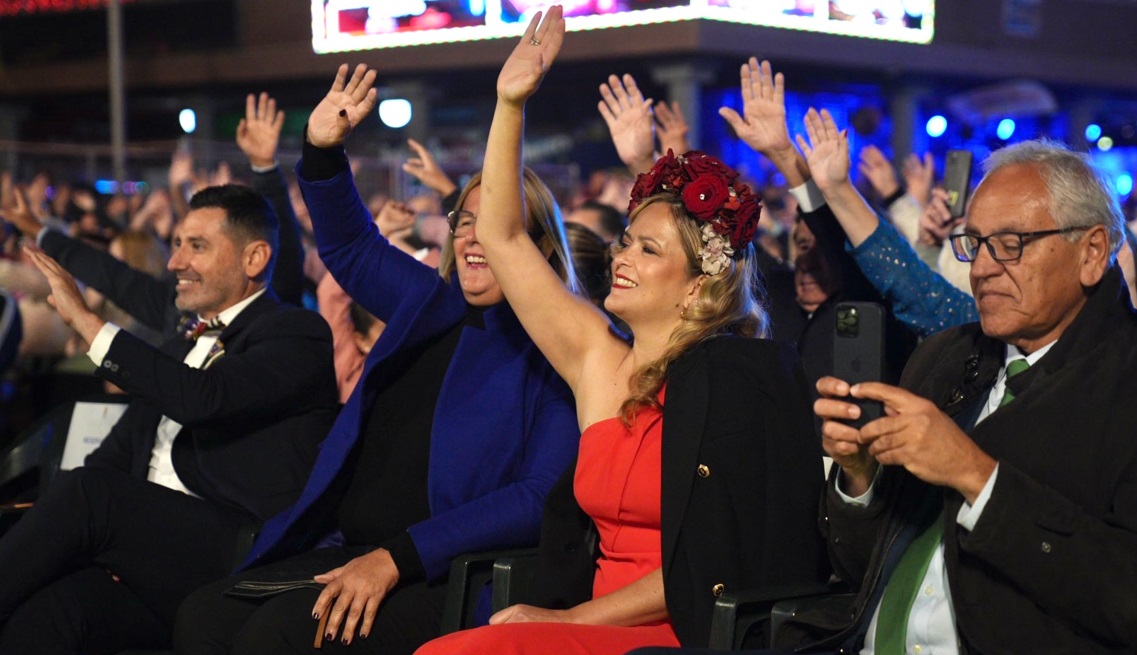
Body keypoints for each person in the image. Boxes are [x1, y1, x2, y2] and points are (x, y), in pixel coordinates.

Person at [416, 9, 826, 654]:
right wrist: (509, 103)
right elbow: (501, 236)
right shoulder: (597, 359)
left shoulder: (737, 378)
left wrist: (573, 622)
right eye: (625, 241)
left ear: (698, 285)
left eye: (648, 250)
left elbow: (718, 561)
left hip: (683, 631)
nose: (621, 256)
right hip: (589, 621)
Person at [173, 62, 580, 655]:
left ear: (534, 244)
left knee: (275, 635)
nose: (472, 237)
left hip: (446, 573)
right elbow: (349, 245)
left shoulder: (560, 348)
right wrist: (321, 151)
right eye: (464, 221)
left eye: (494, 223)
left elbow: (537, 496)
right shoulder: (430, 302)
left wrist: (399, 556)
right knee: (202, 617)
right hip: (349, 547)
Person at [783, 136, 1137, 652]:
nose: (982, 267)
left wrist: (975, 475)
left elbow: (1124, 596)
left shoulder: (1122, 386)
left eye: (1011, 243)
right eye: (974, 243)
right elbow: (863, 571)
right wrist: (860, 478)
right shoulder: (946, 359)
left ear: (1092, 252)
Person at [0, 184, 339, 654]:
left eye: (196, 246)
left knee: (90, 495)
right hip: (152, 556)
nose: (176, 261)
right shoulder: (180, 343)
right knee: (52, 610)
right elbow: (114, 456)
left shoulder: (296, 334)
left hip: (238, 554)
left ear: (254, 258)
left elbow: (203, 399)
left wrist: (86, 322)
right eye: (177, 244)